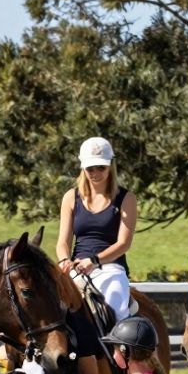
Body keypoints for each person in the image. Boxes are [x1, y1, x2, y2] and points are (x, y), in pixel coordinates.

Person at [57, 137, 138, 326]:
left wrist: (94, 261)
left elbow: (123, 243)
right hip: (76, 268)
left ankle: (120, 351)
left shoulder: (127, 199)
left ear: (111, 165)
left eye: (101, 167)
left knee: (116, 303)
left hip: (111, 268)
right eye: (90, 168)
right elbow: (63, 241)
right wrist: (63, 261)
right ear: (83, 168)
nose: (95, 173)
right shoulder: (71, 197)